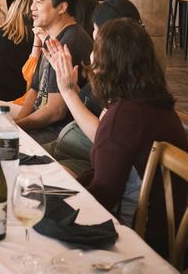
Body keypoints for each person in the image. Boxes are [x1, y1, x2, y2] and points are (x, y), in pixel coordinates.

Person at [56, 19, 187, 258]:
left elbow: (103, 197)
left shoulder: (123, 118)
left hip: (139, 242)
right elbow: (107, 173)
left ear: (108, 62)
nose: (91, 56)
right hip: (165, 232)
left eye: (96, 49)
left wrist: (63, 195)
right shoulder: (154, 103)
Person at [41, 0, 142, 175]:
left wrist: (68, 92)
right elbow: (91, 105)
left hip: (85, 159)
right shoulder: (115, 68)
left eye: (95, 30)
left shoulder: (128, 78)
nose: (92, 35)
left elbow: (104, 136)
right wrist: (70, 85)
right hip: (69, 147)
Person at [14, 0, 93, 144]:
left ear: (62, 7)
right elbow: (34, 90)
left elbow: (55, 111)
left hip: (60, 134)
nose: (31, 8)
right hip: (43, 125)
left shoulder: (69, 43)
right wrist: (15, 123)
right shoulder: (52, 37)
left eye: (39, 2)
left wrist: (16, 128)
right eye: (33, 1)